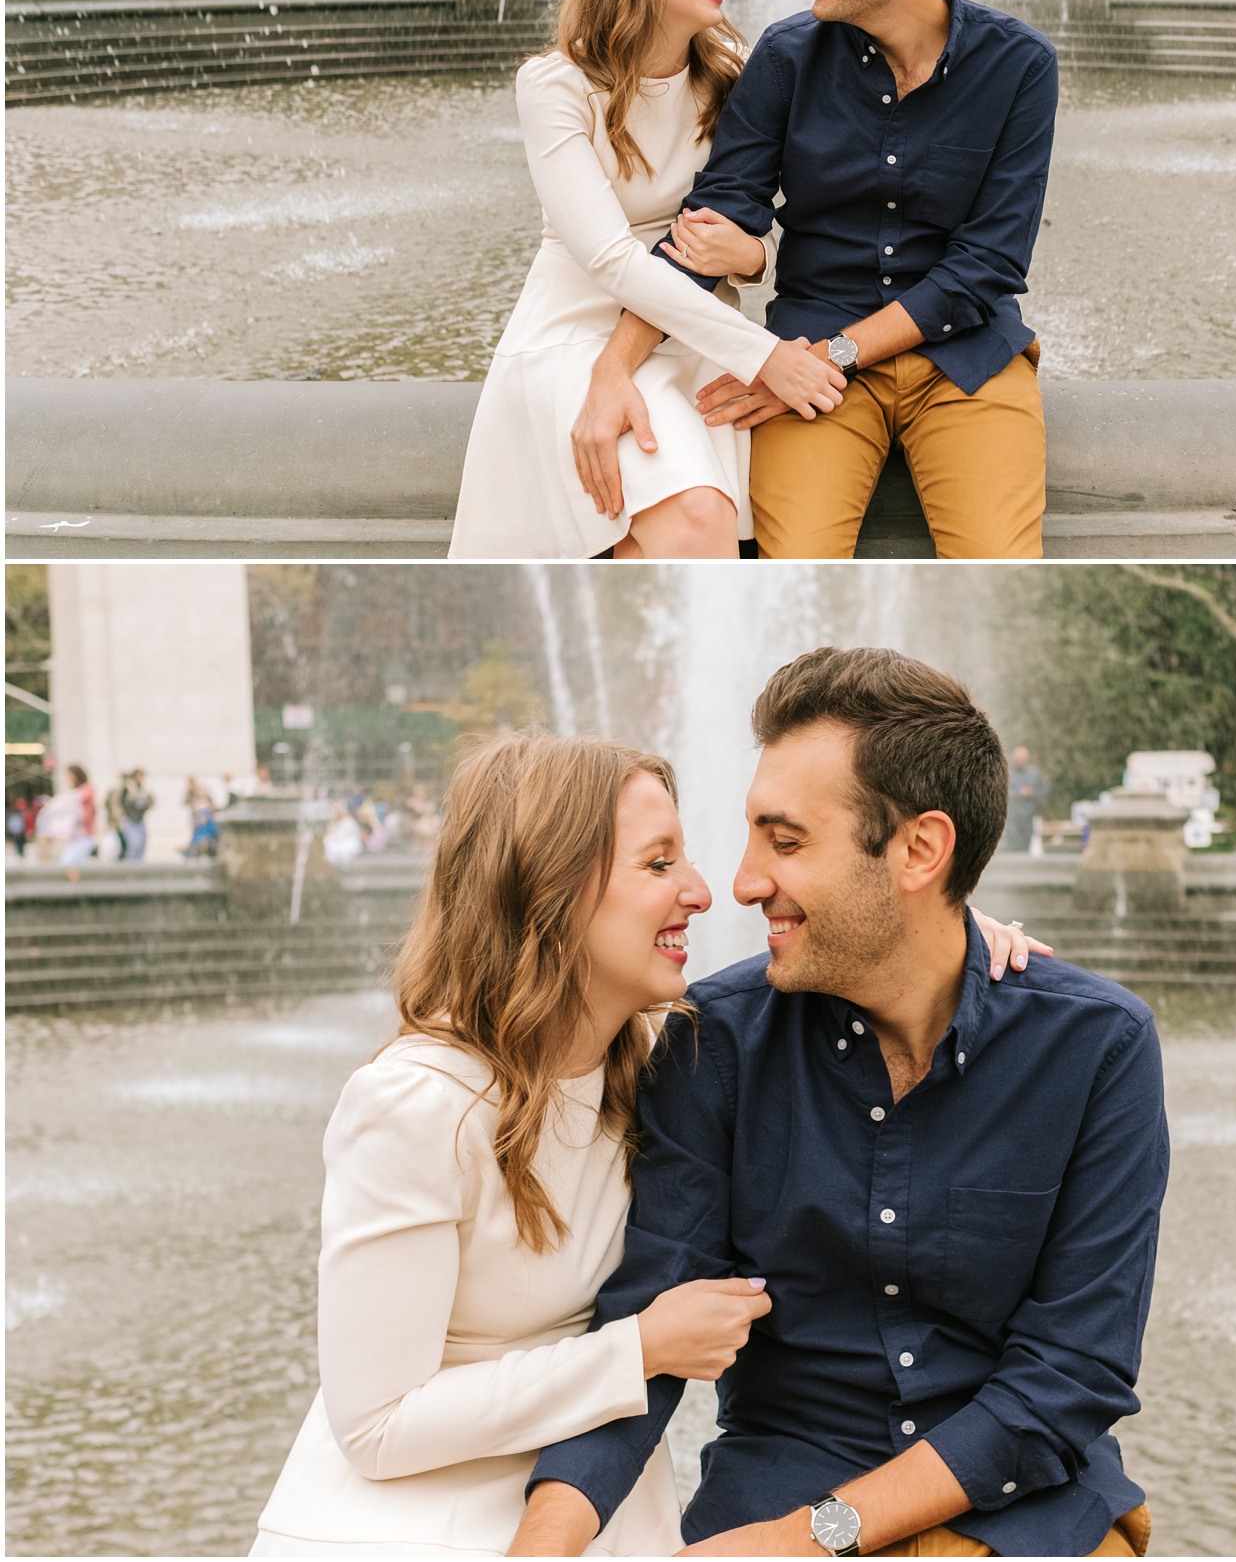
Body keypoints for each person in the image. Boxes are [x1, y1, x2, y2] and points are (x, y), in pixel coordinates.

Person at [251, 724, 1056, 1555]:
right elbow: (376, 1426)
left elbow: (867, 946)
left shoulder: (651, 1067)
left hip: (590, 1495)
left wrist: (945, 935)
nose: (705, 892)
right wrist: (638, 1347)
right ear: (549, 891)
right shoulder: (418, 1106)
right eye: (659, 863)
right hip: (420, 1521)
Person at [519, 647, 1165, 1560]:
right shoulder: (717, 1041)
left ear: (918, 850)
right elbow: (647, 1335)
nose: (742, 882)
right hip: (774, 1490)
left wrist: (814, 1538)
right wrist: (538, 1548)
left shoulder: (1098, 1050)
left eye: (785, 843)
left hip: (1020, 1517)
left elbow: (1068, 1381)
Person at [580, 0, 1054, 559]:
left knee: (1000, 565)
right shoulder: (786, 56)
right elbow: (709, 228)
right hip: (808, 373)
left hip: (965, 361)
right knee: (791, 566)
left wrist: (836, 352)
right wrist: (614, 368)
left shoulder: (1020, 67)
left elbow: (986, 266)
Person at [449, 0, 847, 560]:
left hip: (695, 338)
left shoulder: (737, 73)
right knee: (697, 521)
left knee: (690, 530)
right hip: (577, 335)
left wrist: (752, 260)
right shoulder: (555, 86)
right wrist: (765, 356)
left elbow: (770, 228)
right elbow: (611, 260)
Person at [1000, 743, 1045, 852]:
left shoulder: (1034, 774)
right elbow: (1001, 793)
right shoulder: (1007, 773)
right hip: (1012, 818)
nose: (1021, 761)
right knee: (1012, 848)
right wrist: (1019, 793)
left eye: (1023, 758)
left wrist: (1033, 793)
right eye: (1018, 758)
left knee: (1026, 847)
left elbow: (1042, 790)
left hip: (1028, 817)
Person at [120, 769, 153, 861]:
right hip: (131, 820)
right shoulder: (129, 788)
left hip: (140, 820)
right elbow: (122, 803)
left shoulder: (144, 789)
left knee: (141, 845)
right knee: (133, 845)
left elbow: (149, 803)